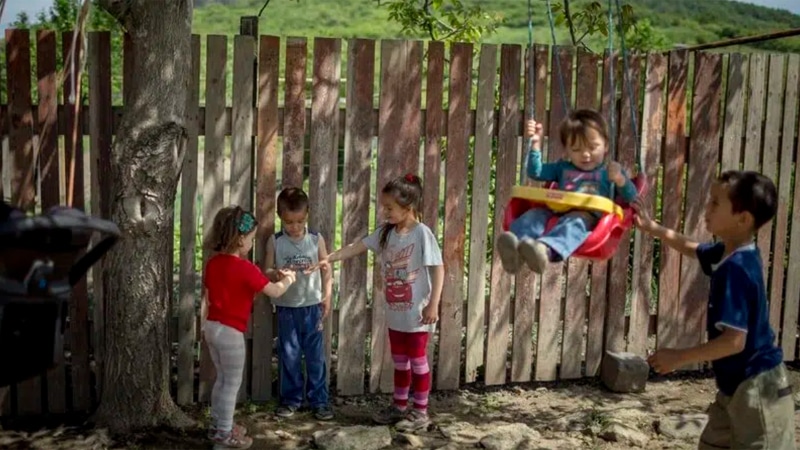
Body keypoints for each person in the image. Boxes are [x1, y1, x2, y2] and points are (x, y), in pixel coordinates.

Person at [634, 170, 795, 450]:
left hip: (758, 389)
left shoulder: (737, 269)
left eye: (715, 203)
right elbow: (693, 248)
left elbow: (734, 341)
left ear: (742, 218)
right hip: (735, 388)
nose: (706, 208)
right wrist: (652, 228)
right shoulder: (730, 253)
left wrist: (678, 357)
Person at [308, 174, 444, 432]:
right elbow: (357, 246)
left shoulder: (422, 234)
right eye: (384, 206)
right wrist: (330, 259)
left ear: (408, 206)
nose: (386, 211)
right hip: (396, 312)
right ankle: (400, 406)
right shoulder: (385, 233)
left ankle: (421, 411)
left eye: (390, 207)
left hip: (417, 313)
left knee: (418, 361)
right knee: (400, 361)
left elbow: (438, 270)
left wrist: (433, 304)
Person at [496, 109, 638, 274]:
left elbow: (632, 197)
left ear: (606, 146)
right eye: (576, 149)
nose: (585, 154)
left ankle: (544, 251)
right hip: (556, 211)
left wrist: (620, 179)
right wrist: (535, 144)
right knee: (535, 215)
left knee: (574, 223)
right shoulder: (562, 168)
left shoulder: (608, 173)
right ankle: (514, 248)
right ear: (567, 150)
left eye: (593, 147)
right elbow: (535, 172)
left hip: (587, 217)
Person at [203, 206, 296, 449]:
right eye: (252, 238)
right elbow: (274, 291)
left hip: (212, 327)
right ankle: (224, 436)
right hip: (231, 333)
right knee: (231, 384)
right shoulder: (245, 268)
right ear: (240, 238)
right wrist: (288, 279)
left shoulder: (213, 264)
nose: (252, 243)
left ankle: (218, 425)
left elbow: (209, 296)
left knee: (221, 380)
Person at [264, 187, 334, 421]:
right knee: (289, 354)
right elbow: (266, 270)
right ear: (279, 216)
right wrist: (276, 273)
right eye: (289, 222)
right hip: (287, 308)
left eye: (299, 221)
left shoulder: (315, 239)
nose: (294, 227)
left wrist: (327, 296)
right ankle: (291, 399)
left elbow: (326, 268)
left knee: (315, 357)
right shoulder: (275, 242)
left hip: (312, 307)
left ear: (307, 215)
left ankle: (319, 401)